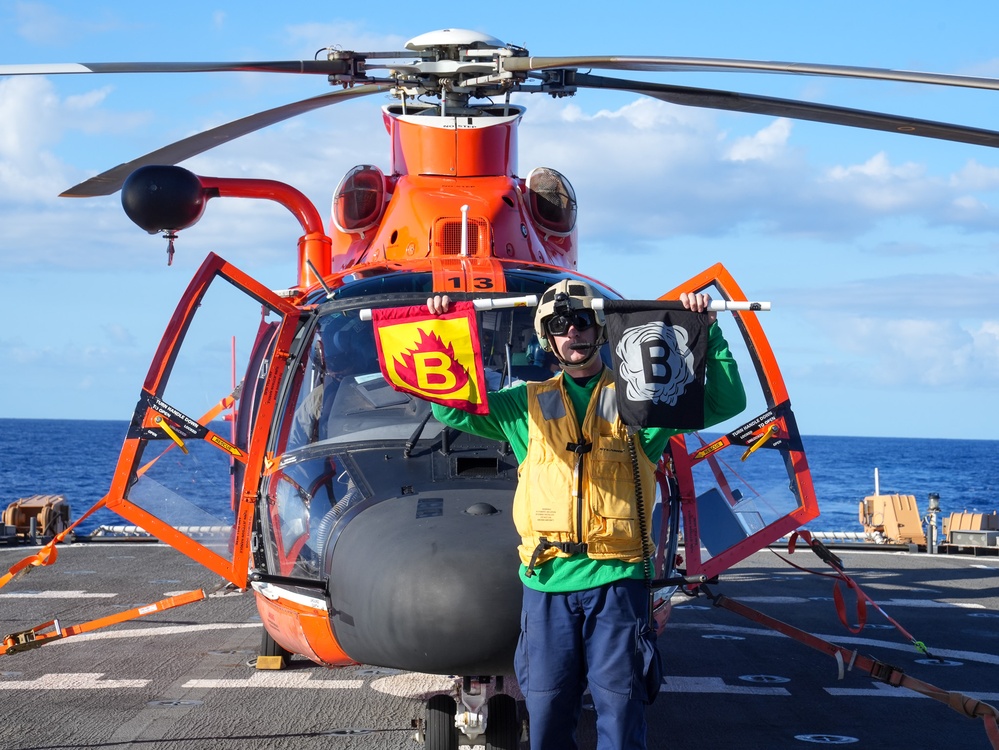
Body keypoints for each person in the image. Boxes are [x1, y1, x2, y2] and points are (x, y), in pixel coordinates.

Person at [425, 279, 746, 749]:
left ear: (600, 329)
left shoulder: (643, 397)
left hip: (617, 581)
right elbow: (451, 407)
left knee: (621, 709)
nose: (572, 331)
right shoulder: (522, 406)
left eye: (581, 321)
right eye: (559, 324)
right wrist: (445, 327)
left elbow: (726, 402)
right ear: (547, 338)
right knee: (547, 712)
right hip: (547, 582)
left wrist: (709, 330)